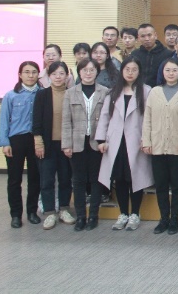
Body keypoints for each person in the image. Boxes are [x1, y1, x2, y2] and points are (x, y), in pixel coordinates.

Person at [95, 57, 154, 232]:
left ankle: (135, 213)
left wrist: (147, 138)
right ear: (122, 71)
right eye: (127, 69)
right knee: (119, 178)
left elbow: (150, 117)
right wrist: (101, 140)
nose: (130, 73)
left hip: (136, 141)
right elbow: (104, 116)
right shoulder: (114, 91)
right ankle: (123, 213)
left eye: (134, 69)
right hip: (115, 142)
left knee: (135, 177)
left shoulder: (147, 91)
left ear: (139, 72)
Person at [142, 58, 178, 235]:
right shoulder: (154, 92)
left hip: (177, 147)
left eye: (175, 70)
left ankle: (174, 218)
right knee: (161, 184)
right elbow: (147, 118)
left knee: (177, 184)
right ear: (162, 72)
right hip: (157, 145)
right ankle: (164, 218)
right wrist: (146, 141)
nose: (171, 73)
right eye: (168, 70)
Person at [61, 58, 110, 231]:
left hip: (97, 143)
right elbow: (66, 121)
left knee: (96, 180)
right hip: (77, 143)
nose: (88, 73)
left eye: (92, 70)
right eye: (84, 70)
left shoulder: (105, 92)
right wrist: (66, 144)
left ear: (97, 72)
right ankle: (81, 216)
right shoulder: (70, 93)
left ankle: (93, 216)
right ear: (79, 72)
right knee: (79, 181)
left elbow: (108, 119)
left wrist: (105, 140)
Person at [0, 60, 41, 228]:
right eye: (27, 72)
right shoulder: (11, 95)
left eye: (34, 72)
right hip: (16, 140)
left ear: (38, 74)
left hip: (36, 140)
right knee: (14, 180)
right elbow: (4, 121)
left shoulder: (43, 94)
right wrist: (5, 142)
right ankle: (15, 215)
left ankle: (32, 212)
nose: (30, 75)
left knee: (35, 178)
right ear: (20, 75)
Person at [32, 61, 76, 229]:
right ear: (49, 76)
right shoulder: (42, 95)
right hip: (47, 145)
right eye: (54, 74)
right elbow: (36, 120)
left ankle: (64, 209)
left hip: (66, 145)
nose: (58, 77)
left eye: (61, 73)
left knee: (65, 179)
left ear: (67, 76)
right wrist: (38, 143)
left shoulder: (72, 94)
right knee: (47, 180)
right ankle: (49, 212)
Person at [130, 23, 170, 87]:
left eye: (149, 35)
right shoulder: (134, 54)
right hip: (138, 89)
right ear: (139, 38)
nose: (147, 39)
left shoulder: (167, 54)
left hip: (160, 89)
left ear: (155, 35)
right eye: (143, 36)